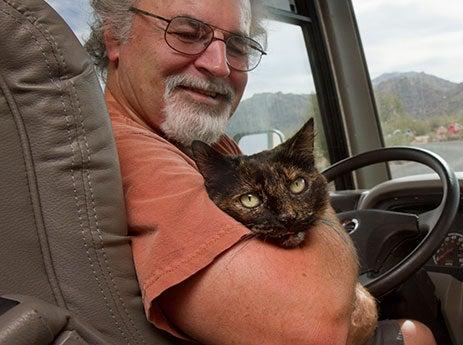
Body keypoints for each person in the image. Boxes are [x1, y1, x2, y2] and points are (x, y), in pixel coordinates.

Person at [84, 0, 436, 344]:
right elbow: (313, 331)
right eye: (188, 34)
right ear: (115, 38)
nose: (219, 65)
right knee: (414, 335)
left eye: (237, 46)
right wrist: (353, 297)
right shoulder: (135, 155)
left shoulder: (209, 145)